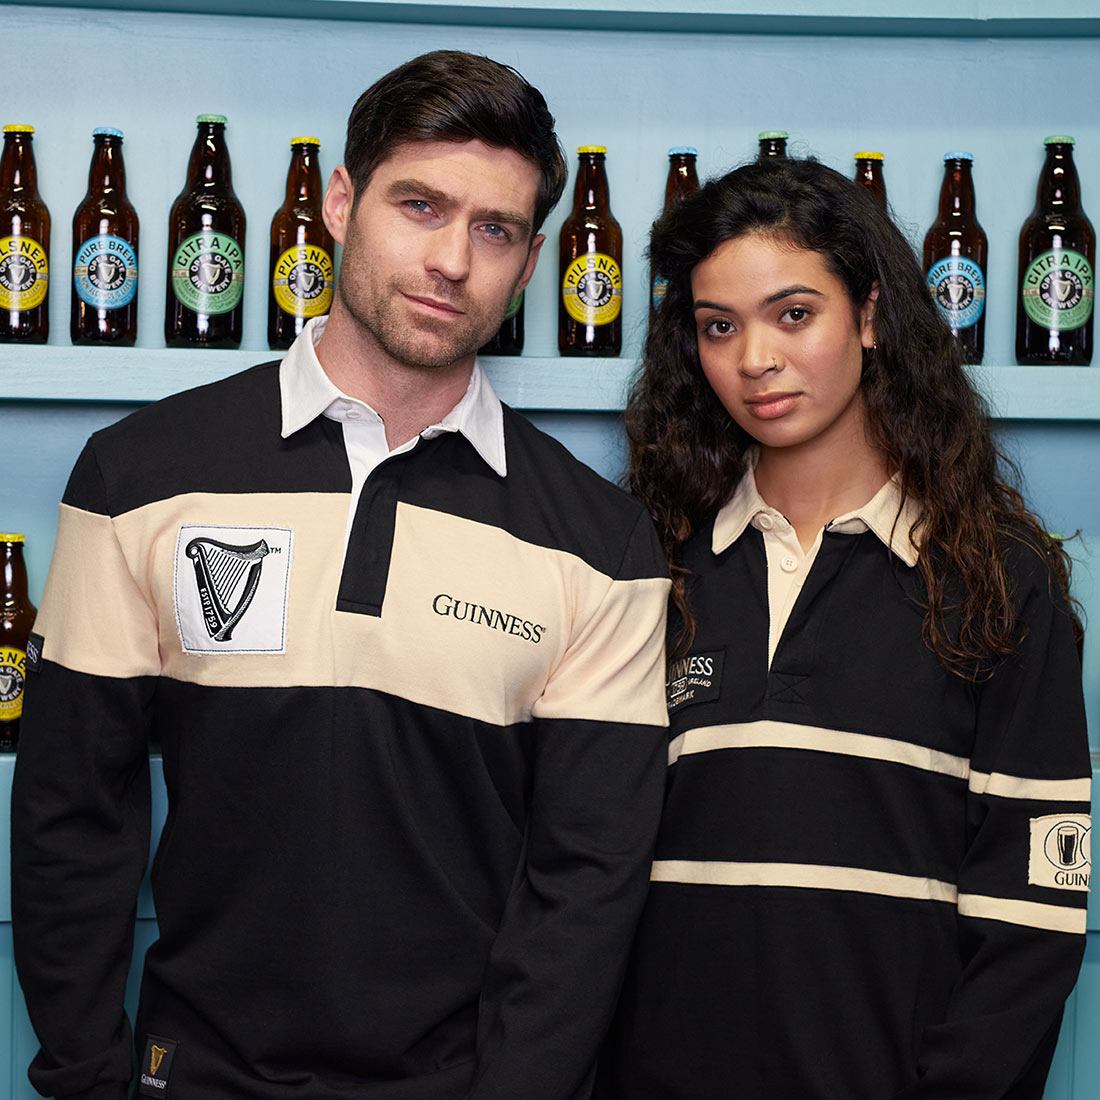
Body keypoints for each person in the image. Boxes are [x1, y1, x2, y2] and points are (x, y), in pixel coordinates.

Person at [12, 51, 671, 1100]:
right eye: (420, 204)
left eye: (494, 230)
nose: (452, 258)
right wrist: (89, 1076)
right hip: (192, 1073)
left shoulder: (600, 541)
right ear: (337, 200)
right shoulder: (139, 474)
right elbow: (69, 810)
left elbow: (584, 886)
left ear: (533, 259)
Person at [599, 157, 1091, 1099]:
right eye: (718, 326)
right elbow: (585, 879)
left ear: (869, 314)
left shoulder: (999, 582)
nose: (755, 359)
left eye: (793, 314)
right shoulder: (644, 568)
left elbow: (1031, 918)